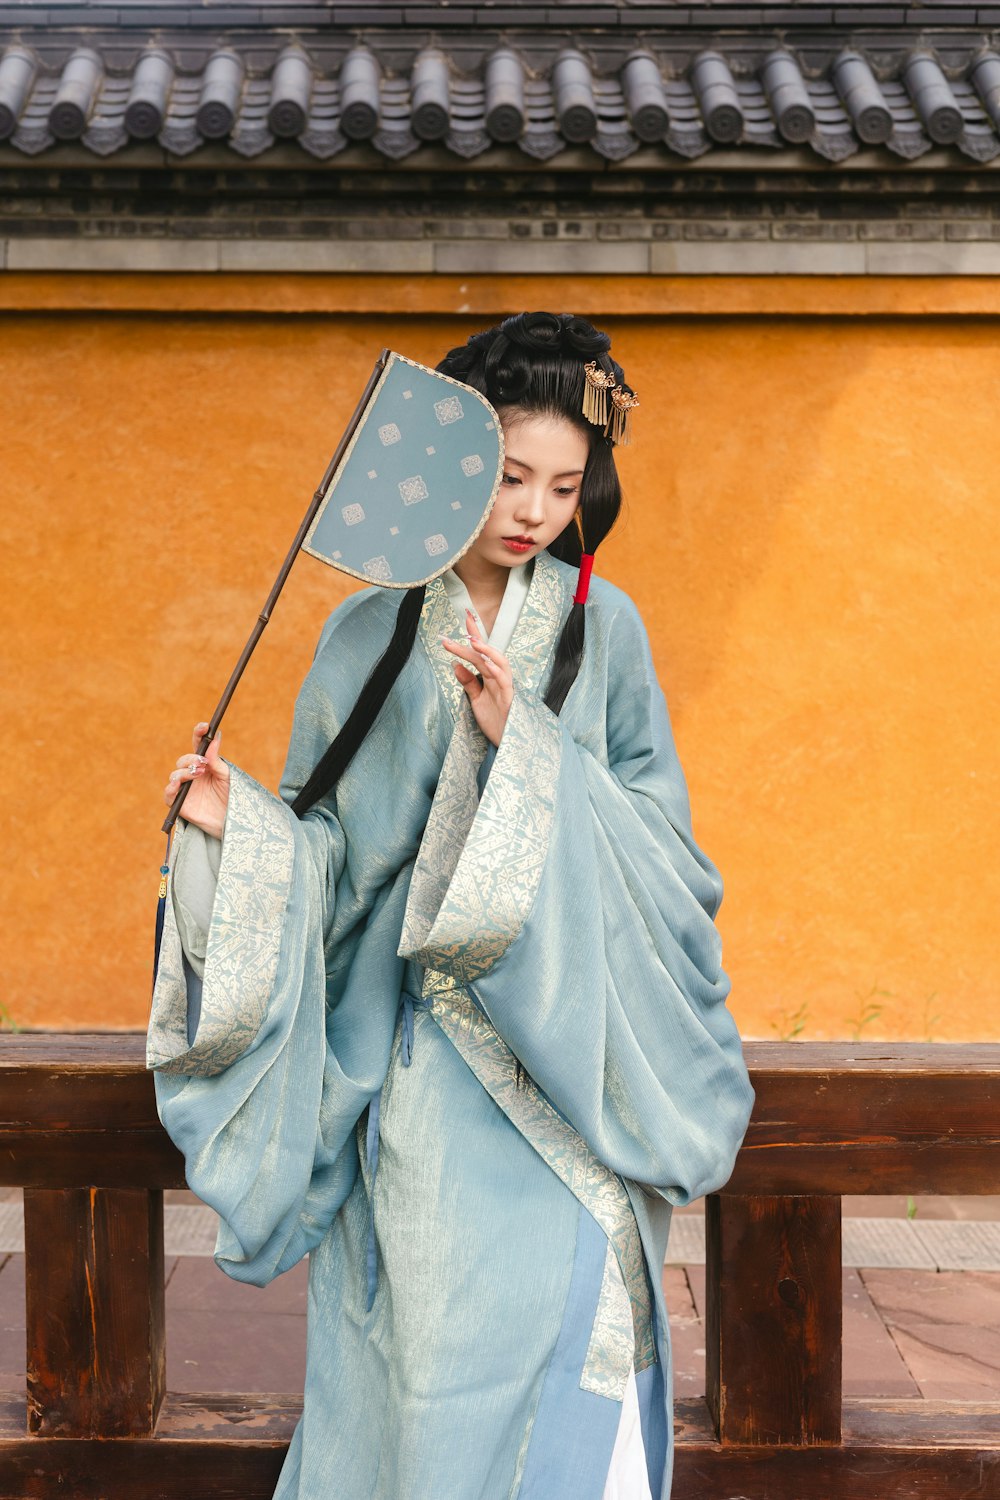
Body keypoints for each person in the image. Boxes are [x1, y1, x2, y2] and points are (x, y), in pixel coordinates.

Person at [148, 311, 756, 1500]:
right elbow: (329, 854)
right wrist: (241, 827)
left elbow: (665, 851)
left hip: (574, 1079)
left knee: (583, 1347)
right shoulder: (366, 633)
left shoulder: (601, 627)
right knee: (430, 1382)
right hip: (425, 1085)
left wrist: (522, 748)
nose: (533, 510)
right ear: (459, 467)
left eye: (563, 485)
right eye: (511, 477)